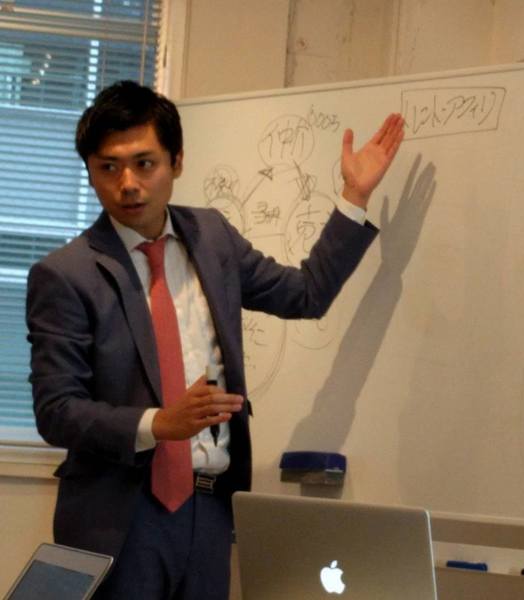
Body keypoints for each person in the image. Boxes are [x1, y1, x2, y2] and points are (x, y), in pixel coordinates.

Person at [25, 80, 404, 599]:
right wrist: (159, 423)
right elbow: (56, 411)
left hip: (209, 510)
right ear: (90, 172)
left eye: (144, 163)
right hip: (119, 518)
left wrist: (353, 197)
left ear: (177, 161)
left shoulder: (212, 237)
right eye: (108, 167)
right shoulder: (65, 274)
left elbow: (305, 294)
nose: (128, 184)